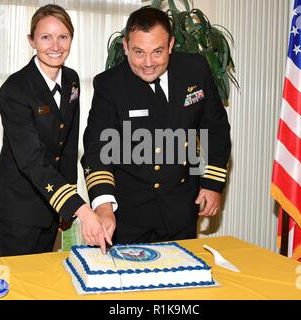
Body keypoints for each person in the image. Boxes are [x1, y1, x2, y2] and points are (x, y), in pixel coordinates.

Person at [81, 7, 231, 244]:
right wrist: (103, 206)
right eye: (139, 52)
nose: (148, 63)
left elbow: (216, 129)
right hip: (129, 215)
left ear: (171, 45)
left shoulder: (195, 71)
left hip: (181, 208)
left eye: (158, 51)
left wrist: (212, 184)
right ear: (126, 47)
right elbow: (97, 150)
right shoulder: (110, 85)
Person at [0, 4, 111, 257]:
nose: (55, 46)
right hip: (16, 206)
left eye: (63, 37)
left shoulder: (72, 80)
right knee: (22, 284)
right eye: (46, 37)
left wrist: (65, 205)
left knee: (45, 277)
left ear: (71, 39)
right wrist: (79, 208)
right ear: (31, 40)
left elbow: (67, 146)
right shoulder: (15, 90)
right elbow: (31, 160)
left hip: (52, 202)